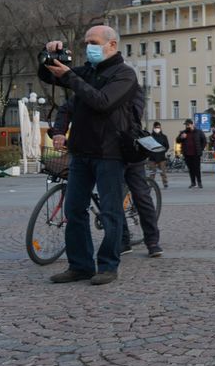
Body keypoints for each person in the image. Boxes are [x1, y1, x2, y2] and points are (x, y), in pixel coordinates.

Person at [37, 26, 138, 285]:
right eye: (86, 43)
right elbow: (50, 77)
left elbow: (102, 101)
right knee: (74, 209)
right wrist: (48, 55)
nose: (88, 47)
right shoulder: (87, 71)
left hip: (110, 153)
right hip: (81, 152)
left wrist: (71, 77)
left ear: (111, 45)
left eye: (93, 42)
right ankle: (79, 266)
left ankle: (107, 266)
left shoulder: (124, 75)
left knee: (110, 212)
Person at [51, 89, 162, 259]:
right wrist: (59, 131)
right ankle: (122, 240)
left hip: (128, 149)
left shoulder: (127, 84)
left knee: (141, 195)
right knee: (111, 199)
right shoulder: (89, 88)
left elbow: (134, 113)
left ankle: (152, 240)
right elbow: (67, 109)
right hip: (104, 153)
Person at [177, 119, 207, 188]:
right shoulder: (183, 132)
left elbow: (204, 141)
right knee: (191, 169)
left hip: (196, 154)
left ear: (192, 124)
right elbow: (177, 140)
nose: (187, 126)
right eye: (186, 125)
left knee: (197, 169)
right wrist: (181, 137)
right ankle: (193, 182)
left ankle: (199, 182)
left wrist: (201, 149)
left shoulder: (198, 132)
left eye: (188, 125)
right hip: (187, 154)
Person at [146, 121, 169, 189]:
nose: (157, 129)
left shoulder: (164, 137)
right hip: (152, 157)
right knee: (152, 172)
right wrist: (150, 153)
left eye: (158, 127)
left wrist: (163, 151)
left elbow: (167, 146)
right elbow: (147, 146)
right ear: (153, 128)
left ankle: (165, 183)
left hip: (161, 157)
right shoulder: (150, 136)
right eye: (156, 127)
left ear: (160, 128)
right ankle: (151, 184)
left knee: (163, 172)